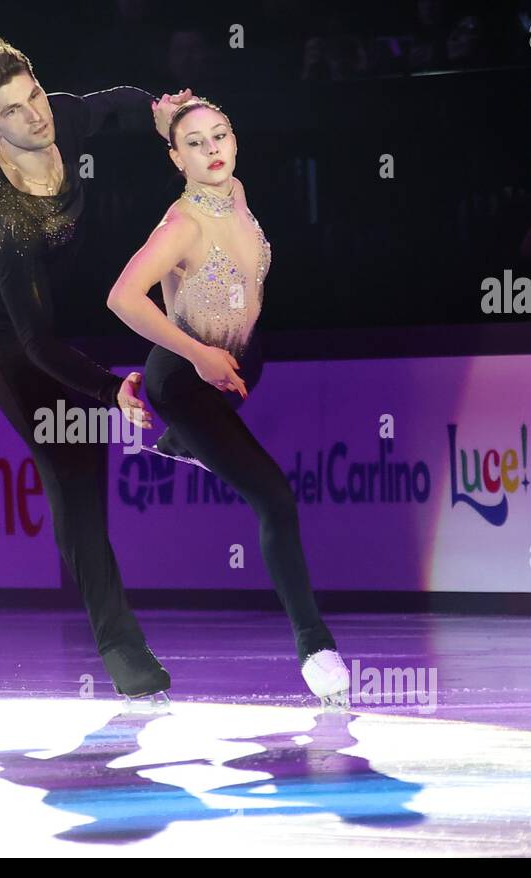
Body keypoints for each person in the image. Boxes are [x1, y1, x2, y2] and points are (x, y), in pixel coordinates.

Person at [0, 39, 191, 704]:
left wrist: (166, 115)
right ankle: (119, 645)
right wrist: (110, 389)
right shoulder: (5, 219)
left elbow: (113, 106)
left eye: (32, 97)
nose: (35, 118)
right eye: (13, 113)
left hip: (30, 298)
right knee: (74, 464)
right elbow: (39, 344)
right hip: (2, 337)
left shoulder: (54, 114)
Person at [105, 98, 351, 709]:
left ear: (235, 143)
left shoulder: (234, 191)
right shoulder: (182, 225)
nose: (212, 150)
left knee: (248, 379)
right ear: (175, 159)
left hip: (239, 363)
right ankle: (315, 648)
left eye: (220, 137)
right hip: (189, 380)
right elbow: (122, 297)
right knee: (275, 499)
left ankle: (178, 443)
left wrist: (176, 120)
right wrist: (197, 353)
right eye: (195, 144)